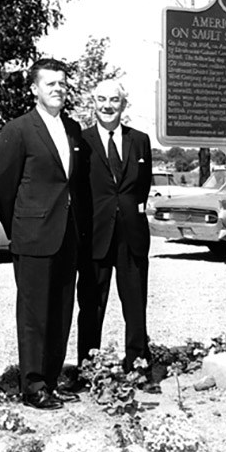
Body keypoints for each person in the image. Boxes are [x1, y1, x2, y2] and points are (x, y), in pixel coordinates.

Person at [0, 58, 87, 410]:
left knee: (62, 311)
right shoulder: (18, 130)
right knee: (34, 314)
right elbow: (5, 190)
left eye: (63, 83)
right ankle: (32, 386)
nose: (58, 89)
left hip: (67, 235)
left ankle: (51, 379)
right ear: (34, 88)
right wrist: (22, 227)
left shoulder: (73, 129)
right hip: (33, 237)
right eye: (50, 83)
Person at [76, 80, 157, 390]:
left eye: (114, 100)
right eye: (101, 99)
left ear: (124, 104)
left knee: (135, 305)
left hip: (131, 235)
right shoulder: (81, 141)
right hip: (95, 234)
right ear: (93, 103)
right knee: (92, 304)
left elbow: (142, 186)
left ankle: (137, 365)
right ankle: (89, 369)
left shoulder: (140, 140)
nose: (107, 106)